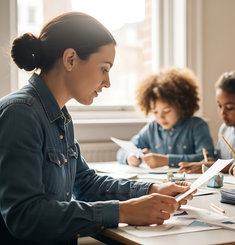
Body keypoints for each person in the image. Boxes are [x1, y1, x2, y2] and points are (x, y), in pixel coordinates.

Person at [0, 12, 192, 244]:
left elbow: (85, 183)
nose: (107, 82)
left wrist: (153, 188)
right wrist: (123, 211)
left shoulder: (59, 115)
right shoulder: (20, 114)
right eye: (104, 68)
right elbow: (25, 216)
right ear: (70, 59)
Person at [116, 67, 214, 168]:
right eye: (155, 112)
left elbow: (208, 158)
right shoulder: (152, 128)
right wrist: (129, 157)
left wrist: (167, 160)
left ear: (181, 105)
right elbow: (123, 150)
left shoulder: (197, 126)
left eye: (167, 111)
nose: (160, 117)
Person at [178, 71, 235, 173]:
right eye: (219, 106)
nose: (222, 112)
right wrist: (211, 161)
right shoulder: (224, 128)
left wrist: (213, 167)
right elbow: (220, 159)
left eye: (229, 108)